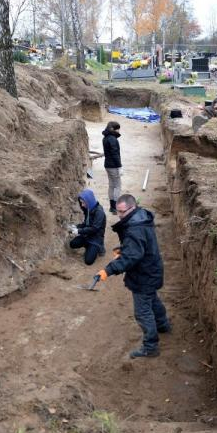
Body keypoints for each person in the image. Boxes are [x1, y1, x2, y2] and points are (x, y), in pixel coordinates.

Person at [94, 194, 171, 358]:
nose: (120, 215)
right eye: (117, 212)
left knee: (143, 312)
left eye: (122, 212)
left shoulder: (135, 229)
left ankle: (150, 347)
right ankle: (163, 325)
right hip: (151, 270)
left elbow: (132, 257)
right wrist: (124, 250)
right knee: (152, 299)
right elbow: (137, 248)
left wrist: (107, 270)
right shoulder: (140, 218)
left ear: (133, 207)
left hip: (144, 275)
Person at [68, 189, 106, 265]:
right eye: (81, 203)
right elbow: (86, 223)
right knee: (72, 244)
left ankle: (99, 247)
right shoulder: (88, 209)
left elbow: (94, 229)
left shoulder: (99, 212)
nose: (82, 205)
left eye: (83, 203)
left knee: (88, 261)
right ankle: (89, 246)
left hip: (96, 238)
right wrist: (76, 227)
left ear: (89, 201)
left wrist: (79, 231)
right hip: (87, 235)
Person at [102, 121, 123, 214]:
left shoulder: (105, 138)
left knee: (111, 185)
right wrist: (119, 167)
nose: (119, 131)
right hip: (114, 166)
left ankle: (112, 206)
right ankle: (115, 207)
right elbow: (115, 154)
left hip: (107, 165)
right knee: (117, 186)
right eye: (118, 129)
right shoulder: (113, 139)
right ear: (114, 129)